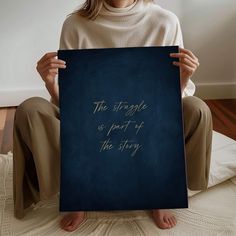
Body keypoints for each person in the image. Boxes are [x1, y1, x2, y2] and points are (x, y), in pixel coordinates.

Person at [13, 0, 213, 232]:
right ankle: (77, 195)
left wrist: (184, 77)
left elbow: (169, 103)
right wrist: (50, 84)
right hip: (92, 122)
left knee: (197, 108)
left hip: (148, 120)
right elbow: (73, 105)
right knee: (31, 109)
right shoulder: (75, 24)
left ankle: (161, 195)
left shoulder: (165, 21)